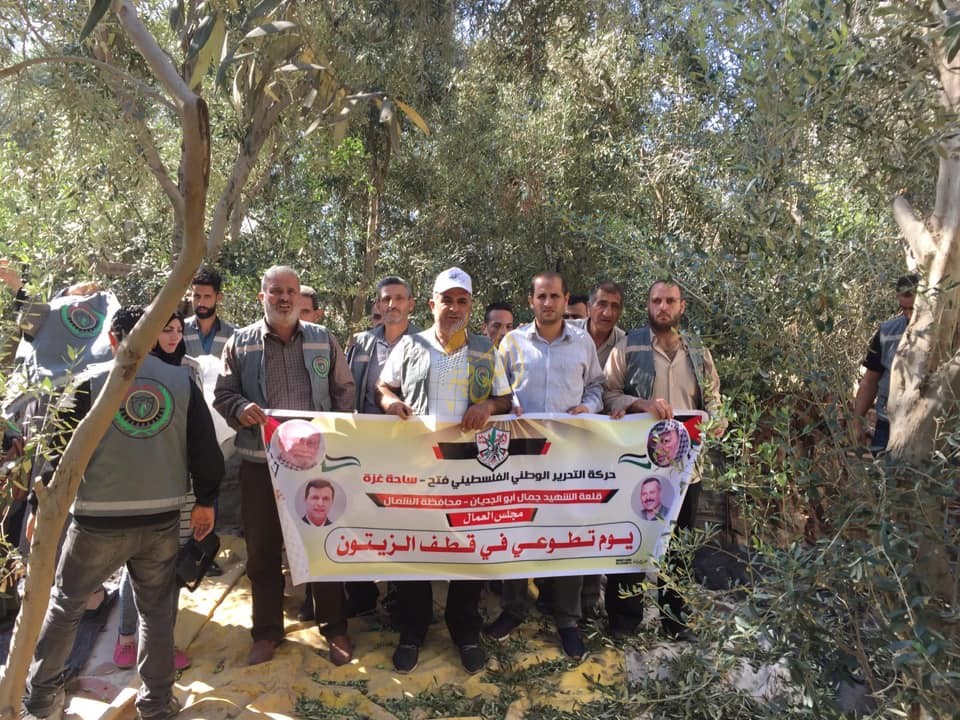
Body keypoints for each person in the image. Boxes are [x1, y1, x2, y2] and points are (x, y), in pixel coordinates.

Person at [22, 306, 222, 720]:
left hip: (97, 520)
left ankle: (40, 702)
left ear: (113, 340)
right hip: (161, 520)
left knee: (66, 605)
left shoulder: (89, 381)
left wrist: (39, 508)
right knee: (156, 611)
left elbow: (55, 454)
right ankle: (156, 702)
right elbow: (206, 451)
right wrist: (206, 501)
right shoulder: (180, 382)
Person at [213, 266, 355, 667]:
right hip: (261, 466)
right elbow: (223, 393)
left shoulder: (323, 339)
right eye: (276, 291)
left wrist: (333, 439)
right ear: (262, 296)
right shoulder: (240, 343)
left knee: (323, 545)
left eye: (291, 291)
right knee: (262, 551)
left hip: (315, 467)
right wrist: (240, 408)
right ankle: (266, 632)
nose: (285, 298)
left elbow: (344, 390)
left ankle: (335, 628)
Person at [378, 266, 512, 675]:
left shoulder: (485, 350)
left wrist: (486, 406)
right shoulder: (410, 344)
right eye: (447, 300)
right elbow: (384, 386)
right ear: (431, 304)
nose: (454, 308)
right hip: (418, 466)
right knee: (416, 546)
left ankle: (464, 629)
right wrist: (389, 403)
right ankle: (413, 629)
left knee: (468, 548)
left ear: (470, 307)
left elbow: (505, 400)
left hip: (469, 470)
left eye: (462, 301)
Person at [486, 271, 604, 661]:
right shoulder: (512, 343)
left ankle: (567, 620)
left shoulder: (583, 342)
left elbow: (597, 386)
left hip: (568, 458)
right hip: (521, 457)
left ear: (566, 299)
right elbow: (498, 390)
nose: (548, 302)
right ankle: (514, 608)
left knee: (568, 533)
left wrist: (589, 406)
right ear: (531, 301)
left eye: (555, 296)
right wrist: (508, 405)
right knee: (517, 529)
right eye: (542, 296)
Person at [603, 279, 724, 639]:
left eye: (670, 301)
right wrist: (638, 404)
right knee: (632, 542)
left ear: (681, 306)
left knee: (679, 548)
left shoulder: (698, 351)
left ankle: (676, 621)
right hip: (638, 467)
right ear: (648, 305)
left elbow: (713, 398)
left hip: (685, 471)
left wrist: (718, 420)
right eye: (656, 300)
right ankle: (624, 621)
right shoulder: (629, 347)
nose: (663, 307)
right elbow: (608, 395)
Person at [113, 312, 199, 673]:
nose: (173, 337)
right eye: (166, 330)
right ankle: (126, 638)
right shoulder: (122, 372)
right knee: (134, 564)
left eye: (178, 330)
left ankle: (163, 644)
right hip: (135, 483)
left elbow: (197, 428)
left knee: (172, 565)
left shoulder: (189, 370)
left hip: (180, 482)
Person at [852, 274, 918, 454]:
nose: (908, 315)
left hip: (932, 426)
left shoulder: (947, 332)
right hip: (887, 425)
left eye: (913, 309)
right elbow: (870, 381)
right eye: (904, 308)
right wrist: (857, 422)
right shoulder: (887, 332)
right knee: (885, 470)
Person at [183, 268, 235, 358]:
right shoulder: (180, 330)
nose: (201, 303)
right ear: (190, 296)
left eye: (207, 296)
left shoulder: (232, 333)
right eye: (197, 296)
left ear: (218, 297)